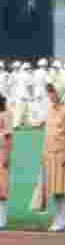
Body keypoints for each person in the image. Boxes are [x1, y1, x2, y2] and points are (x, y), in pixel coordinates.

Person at [40, 83, 65, 232]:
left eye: (53, 92)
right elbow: (47, 133)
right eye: (49, 92)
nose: (51, 95)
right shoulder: (49, 109)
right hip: (49, 153)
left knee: (61, 189)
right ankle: (58, 218)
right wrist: (43, 153)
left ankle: (62, 219)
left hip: (61, 153)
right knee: (54, 189)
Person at [0, 94, 10, 228]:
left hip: (1, 152)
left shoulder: (7, 115)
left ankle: (2, 219)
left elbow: (8, 137)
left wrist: (7, 156)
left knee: (1, 187)